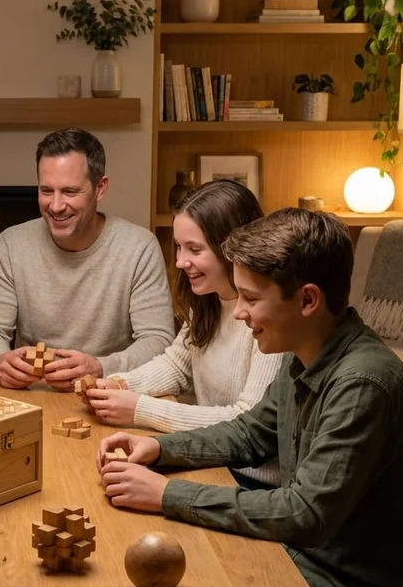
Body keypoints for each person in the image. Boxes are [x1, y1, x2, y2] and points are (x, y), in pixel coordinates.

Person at [96, 208, 403, 587]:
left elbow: (303, 514)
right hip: (305, 560)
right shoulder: (307, 354)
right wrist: (160, 449)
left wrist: (167, 493)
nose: (239, 313)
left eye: (251, 299)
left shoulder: (362, 384)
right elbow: (251, 432)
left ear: (308, 300)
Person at [81, 180, 284, 487]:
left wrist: (139, 408)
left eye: (195, 249)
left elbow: (247, 424)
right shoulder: (207, 299)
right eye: (178, 246)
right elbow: (176, 365)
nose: (179, 262)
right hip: (209, 460)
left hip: (250, 480)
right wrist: (118, 383)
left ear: (230, 247)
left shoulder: (271, 317)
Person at [0, 128, 175, 390]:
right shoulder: (11, 244)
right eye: (46, 190)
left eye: (70, 191)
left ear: (100, 189)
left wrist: (101, 368)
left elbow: (158, 340)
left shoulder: (139, 247)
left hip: (107, 392)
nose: (55, 206)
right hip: (32, 393)